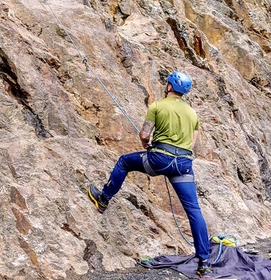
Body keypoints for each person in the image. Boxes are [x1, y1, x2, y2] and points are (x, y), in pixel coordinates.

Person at [88, 71, 212, 279]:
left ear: (171, 86)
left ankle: (103, 199)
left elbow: (145, 134)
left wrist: (146, 145)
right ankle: (204, 265)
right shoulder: (192, 114)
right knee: (193, 210)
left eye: (167, 83)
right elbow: (192, 143)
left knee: (124, 161)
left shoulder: (157, 106)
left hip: (159, 159)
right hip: (183, 165)